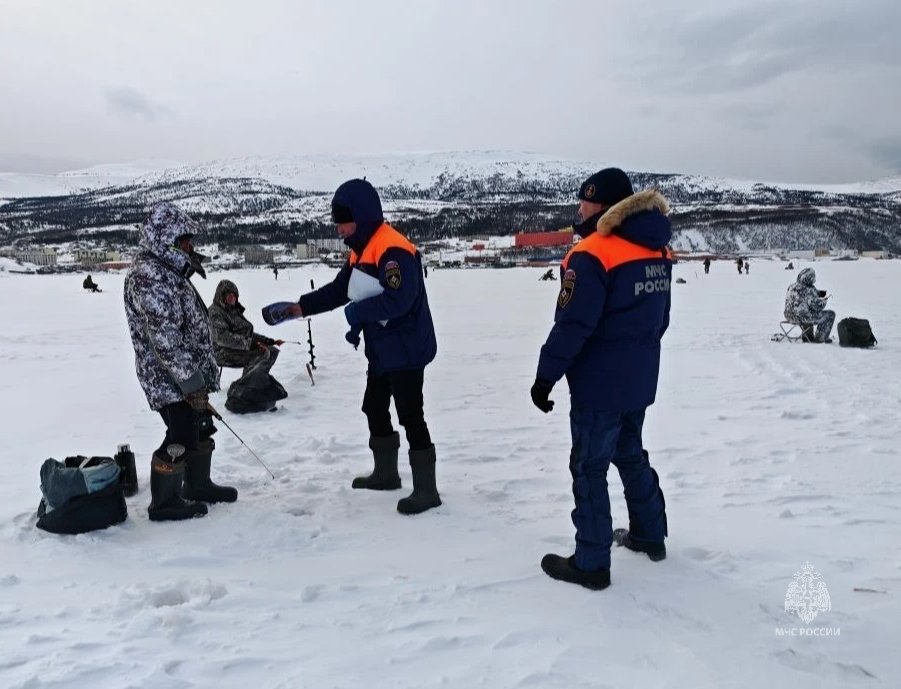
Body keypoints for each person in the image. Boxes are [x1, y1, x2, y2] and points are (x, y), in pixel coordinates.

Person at [531, 167, 671, 591]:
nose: (579, 208)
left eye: (585, 201)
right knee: (629, 451)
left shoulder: (593, 253)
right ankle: (650, 533)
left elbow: (574, 324)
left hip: (600, 383)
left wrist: (545, 377)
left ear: (604, 205)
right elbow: (660, 320)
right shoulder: (657, 249)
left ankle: (591, 562)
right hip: (640, 376)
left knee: (588, 466)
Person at [266, 178, 440, 515]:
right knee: (373, 407)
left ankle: (426, 490)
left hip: (406, 349)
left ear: (360, 216)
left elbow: (400, 300)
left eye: (342, 222)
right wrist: (297, 308)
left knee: (410, 415)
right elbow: (338, 290)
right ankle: (386, 474)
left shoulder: (392, 250)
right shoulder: (362, 250)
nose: (339, 229)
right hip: (383, 349)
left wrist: (357, 312)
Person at [124, 202, 237, 522]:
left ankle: (197, 485)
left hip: (183, 371)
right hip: (166, 375)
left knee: (200, 427)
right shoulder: (149, 275)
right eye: (183, 239)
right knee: (181, 434)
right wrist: (191, 382)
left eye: (189, 239)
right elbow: (164, 337)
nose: (190, 245)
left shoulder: (168, 269)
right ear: (164, 238)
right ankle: (164, 502)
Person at [208, 279, 287, 413]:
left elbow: (247, 333)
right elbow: (222, 338)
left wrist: (269, 341)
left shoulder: (233, 311)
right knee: (262, 354)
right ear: (221, 296)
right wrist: (250, 344)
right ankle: (244, 392)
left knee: (272, 351)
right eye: (229, 295)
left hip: (238, 348)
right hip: (221, 352)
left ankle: (253, 385)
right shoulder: (215, 312)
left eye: (234, 295)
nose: (232, 298)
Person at [784, 267, 835, 343]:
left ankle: (807, 336)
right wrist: (824, 301)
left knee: (804, 310)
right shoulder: (810, 289)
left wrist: (818, 293)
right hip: (802, 318)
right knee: (830, 314)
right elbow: (817, 307)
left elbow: (801, 295)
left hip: (789, 316)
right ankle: (821, 338)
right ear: (810, 278)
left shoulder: (792, 286)